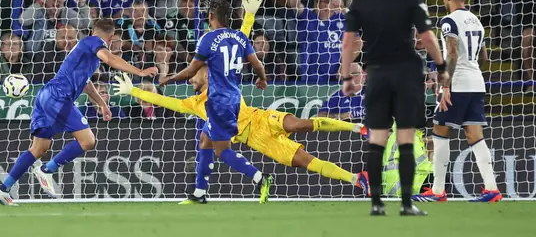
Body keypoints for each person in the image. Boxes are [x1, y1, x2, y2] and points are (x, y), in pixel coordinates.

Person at [113, 65, 370, 197]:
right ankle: (356, 179)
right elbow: (165, 102)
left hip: (264, 119)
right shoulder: (193, 104)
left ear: (206, 74)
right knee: (308, 162)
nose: (190, 80)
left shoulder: (224, 81)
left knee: (303, 124)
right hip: (257, 141)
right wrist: (133, 91)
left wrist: (248, 15)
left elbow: (239, 44)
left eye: (193, 76)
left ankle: (358, 127)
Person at [0, 18, 158, 206]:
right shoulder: (94, 42)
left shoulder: (84, 50)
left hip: (46, 96)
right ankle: (46, 170)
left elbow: (86, 83)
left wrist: (102, 103)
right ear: (110, 37)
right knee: (88, 141)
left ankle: (2, 190)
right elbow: (110, 59)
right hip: (59, 97)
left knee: (39, 148)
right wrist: (140, 72)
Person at [341, 0, 449, 216]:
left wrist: (346, 76)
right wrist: (441, 66)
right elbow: (427, 37)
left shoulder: (361, 1)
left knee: (377, 140)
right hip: (406, 74)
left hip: (377, 73)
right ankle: (406, 204)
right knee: (406, 139)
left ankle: (377, 203)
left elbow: (348, 42)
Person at [158, 0, 273, 204]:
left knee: (223, 150)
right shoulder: (240, 38)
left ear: (212, 16)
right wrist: (262, 80)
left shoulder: (207, 39)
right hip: (234, 99)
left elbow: (191, 70)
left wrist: (169, 79)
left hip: (218, 101)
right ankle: (199, 193)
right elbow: (258, 65)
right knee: (205, 141)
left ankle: (260, 178)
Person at [412, 0, 501, 203]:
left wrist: (445, 85)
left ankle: (438, 190)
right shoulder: (477, 21)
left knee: (440, 131)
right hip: (476, 82)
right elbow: (484, 57)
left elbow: (451, 53)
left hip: (458, 83)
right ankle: (492, 189)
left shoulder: (448, 21)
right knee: (475, 136)